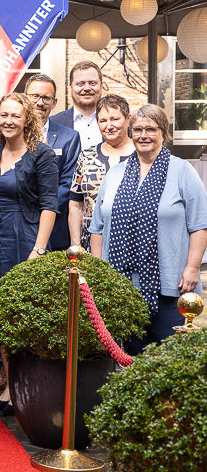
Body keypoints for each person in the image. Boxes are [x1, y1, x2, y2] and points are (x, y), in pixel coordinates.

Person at [90, 104, 207, 354]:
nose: (144, 135)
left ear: (164, 133)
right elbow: (97, 227)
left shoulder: (182, 171)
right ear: (131, 133)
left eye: (151, 129)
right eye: (138, 129)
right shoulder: (116, 174)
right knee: (129, 356)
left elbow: (200, 225)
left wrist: (192, 268)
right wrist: (99, 273)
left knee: (169, 357)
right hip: (122, 287)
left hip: (171, 285)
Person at [0, 92, 58, 413]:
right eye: (3, 115)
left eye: (15, 116)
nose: (9, 121)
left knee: (23, 314)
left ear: (28, 120)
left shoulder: (42, 155)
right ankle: (10, 383)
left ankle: (26, 389)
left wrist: (39, 249)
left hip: (25, 238)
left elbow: (50, 205)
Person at [69, 94, 135, 251]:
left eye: (115, 119)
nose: (109, 125)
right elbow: (75, 204)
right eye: (103, 121)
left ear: (128, 119)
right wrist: (76, 245)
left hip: (133, 241)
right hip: (91, 242)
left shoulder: (142, 155)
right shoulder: (86, 156)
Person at [24, 74, 81, 253]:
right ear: (25, 98)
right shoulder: (9, 133)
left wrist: (44, 209)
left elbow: (69, 182)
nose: (40, 102)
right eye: (35, 96)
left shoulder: (69, 137)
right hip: (17, 225)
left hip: (55, 229)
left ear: (54, 102)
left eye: (46, 98)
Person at [50, 61, 103, 149]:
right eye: (80, 84)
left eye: (92, 83)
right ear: (71, 87)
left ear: (101, 86)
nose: (87, 88)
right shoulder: (53, 123)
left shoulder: (117, 123)